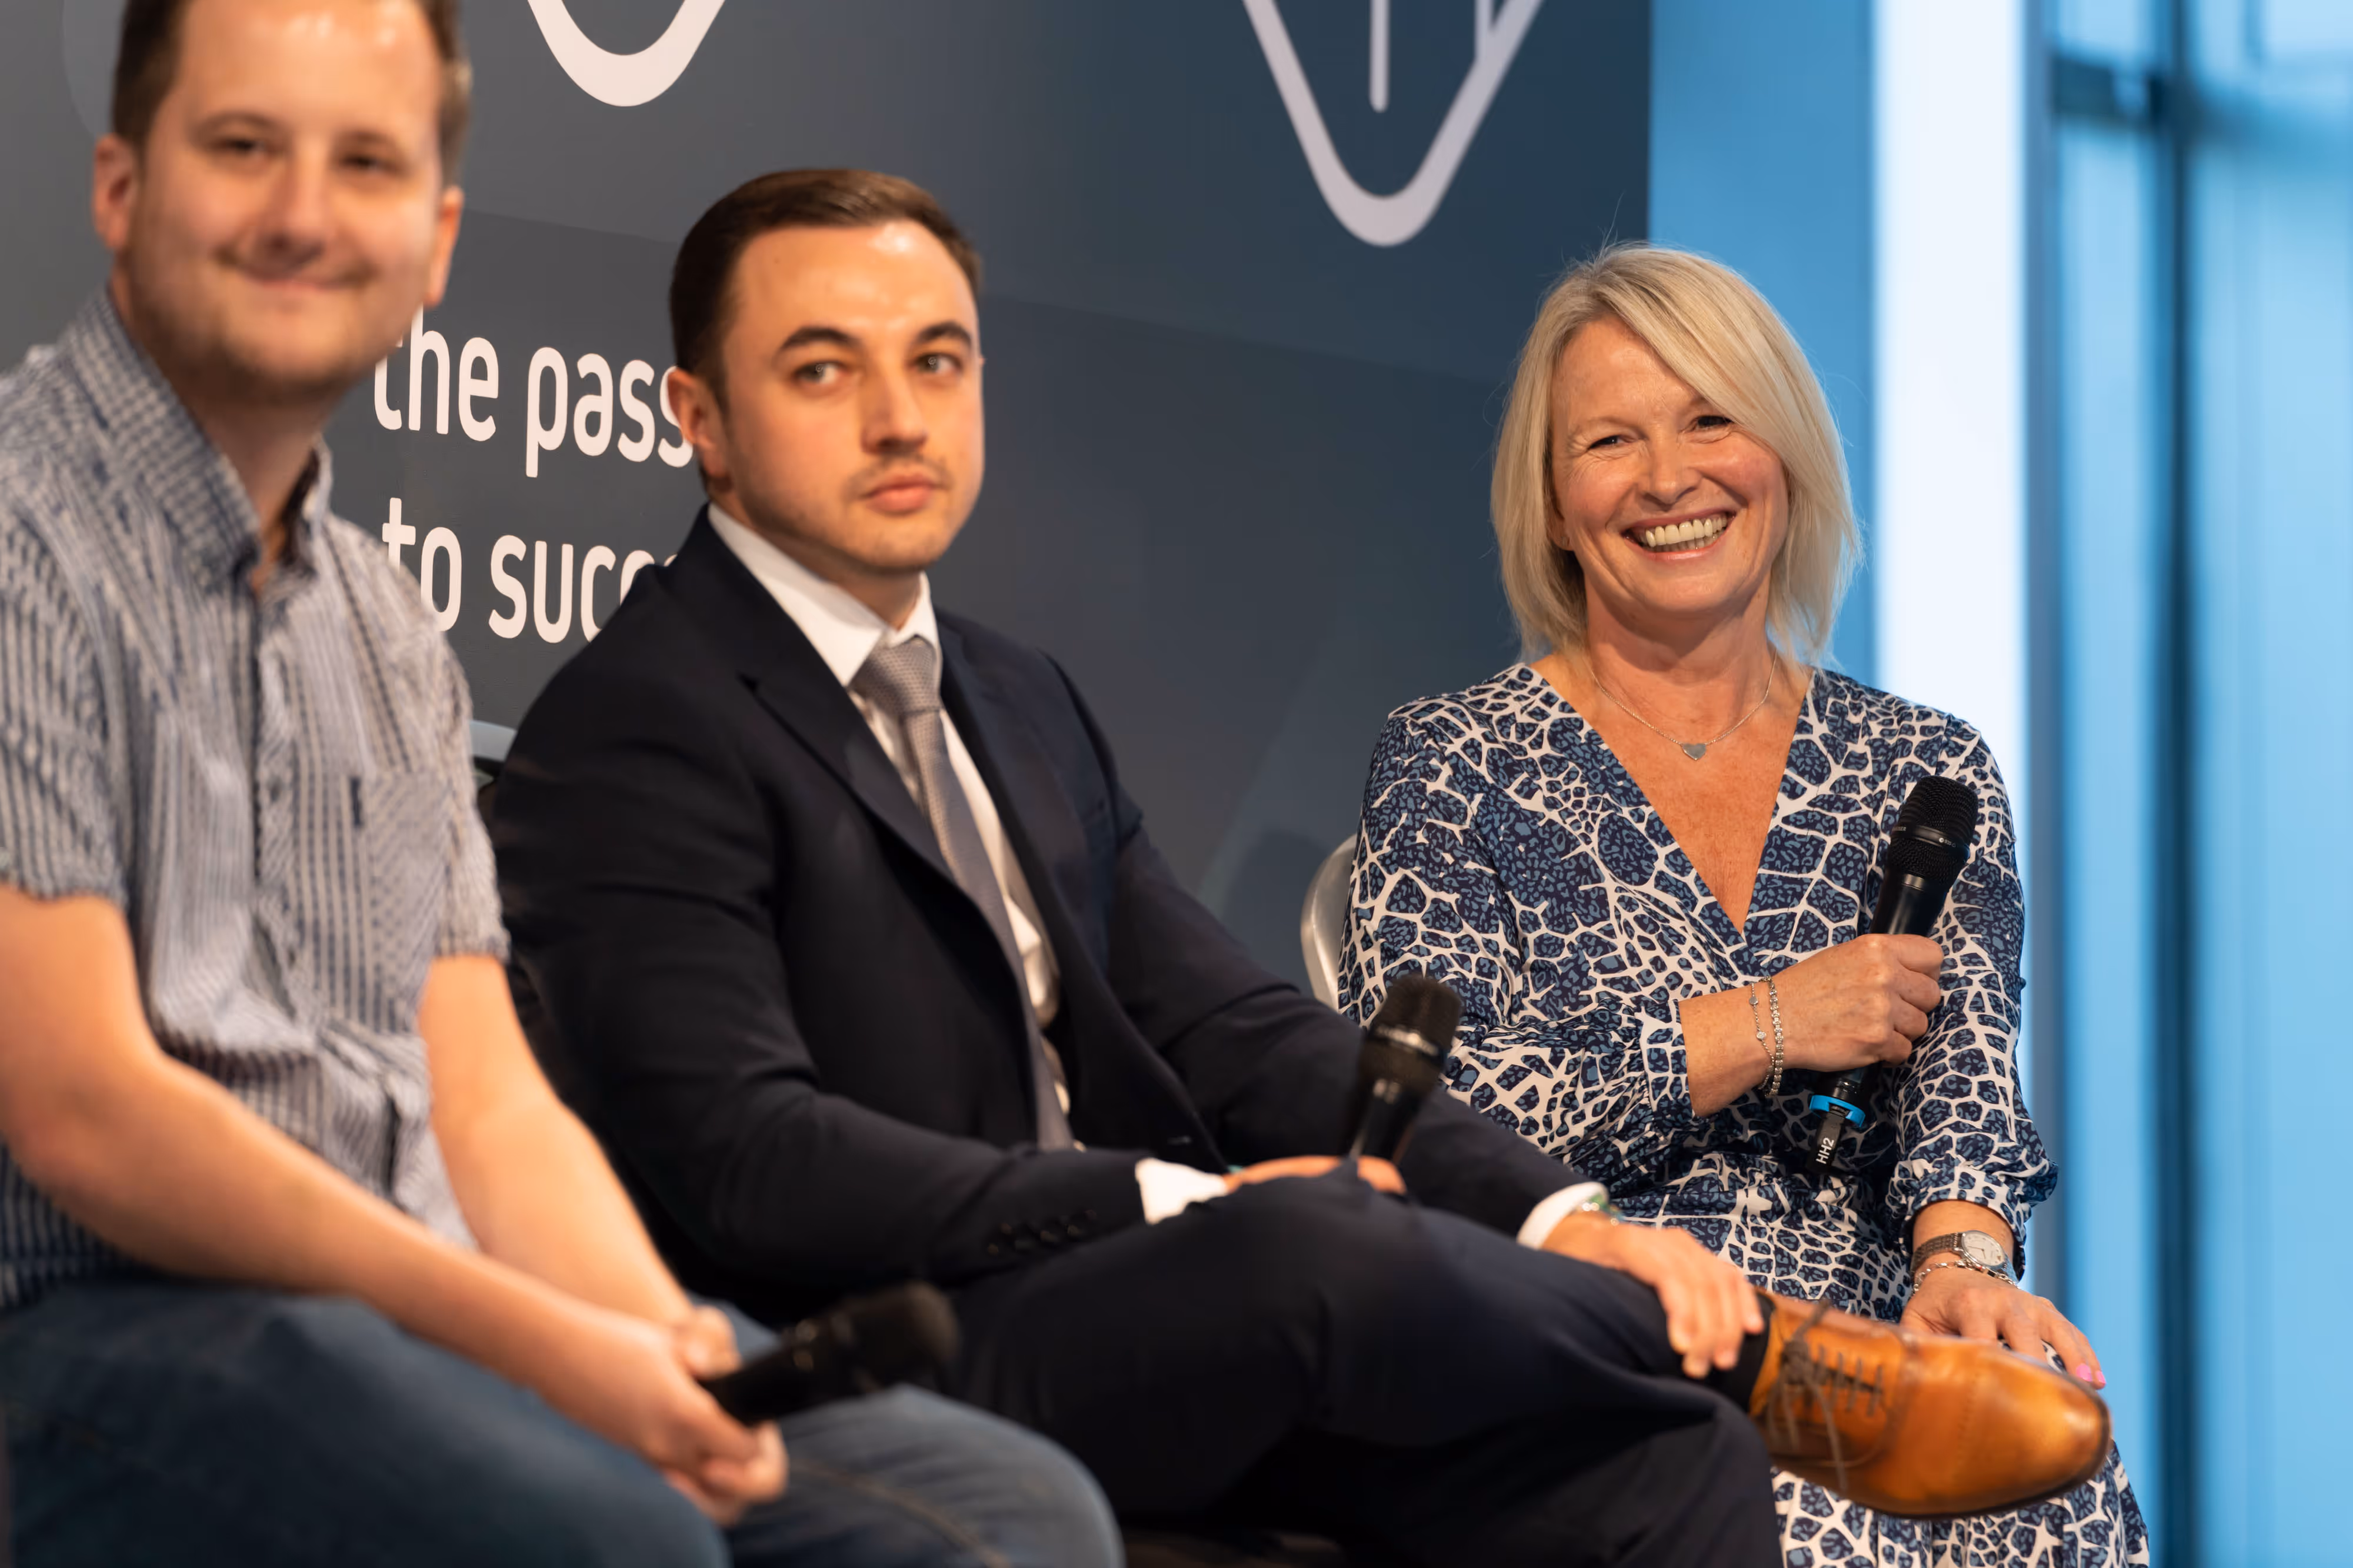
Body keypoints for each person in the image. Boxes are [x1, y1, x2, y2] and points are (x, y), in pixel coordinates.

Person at [489, 166, 2112, 1567]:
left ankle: (1728, 1377)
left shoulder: (1016, 694)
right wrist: (1164, 1200)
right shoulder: (644, 721)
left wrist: (1565, 1228)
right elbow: (742, 1160)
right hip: (887, 1331)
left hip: (1161, 1320)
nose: (901, 415)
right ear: (700, 416)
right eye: (823, 369)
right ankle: (1771, 1363)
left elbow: (1248, 1034)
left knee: (1652, 1464)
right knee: (1312, 1239)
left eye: (939, 359)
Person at [0, 4, 1122, 1564]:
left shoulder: (383, 623)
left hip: (408, 1314)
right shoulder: (24, 542)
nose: (307, 214)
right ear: (121, 186)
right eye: (244, 147)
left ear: (437, 238)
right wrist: (532, 1341)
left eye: (369, 162)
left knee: (1009, 1515)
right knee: (609, 1534)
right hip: (87, 1330)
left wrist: (660, 1339)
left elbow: (486, 1098)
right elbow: (81, 1112)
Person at [1339, 243, 2149, 1565]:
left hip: (1872, 1337)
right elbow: (1442, 1122)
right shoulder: (1452, 759)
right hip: (1590, 1318)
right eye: (1608, 439)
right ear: (1551, 502)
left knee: (2055, 1477)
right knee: (1798, 1519)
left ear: (1782, 451)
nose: (1668, 478)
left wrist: (1961, 1270)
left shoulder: (1923, 771)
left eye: (1710, 417)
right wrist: (1765, 1020)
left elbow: (1963, 1098)